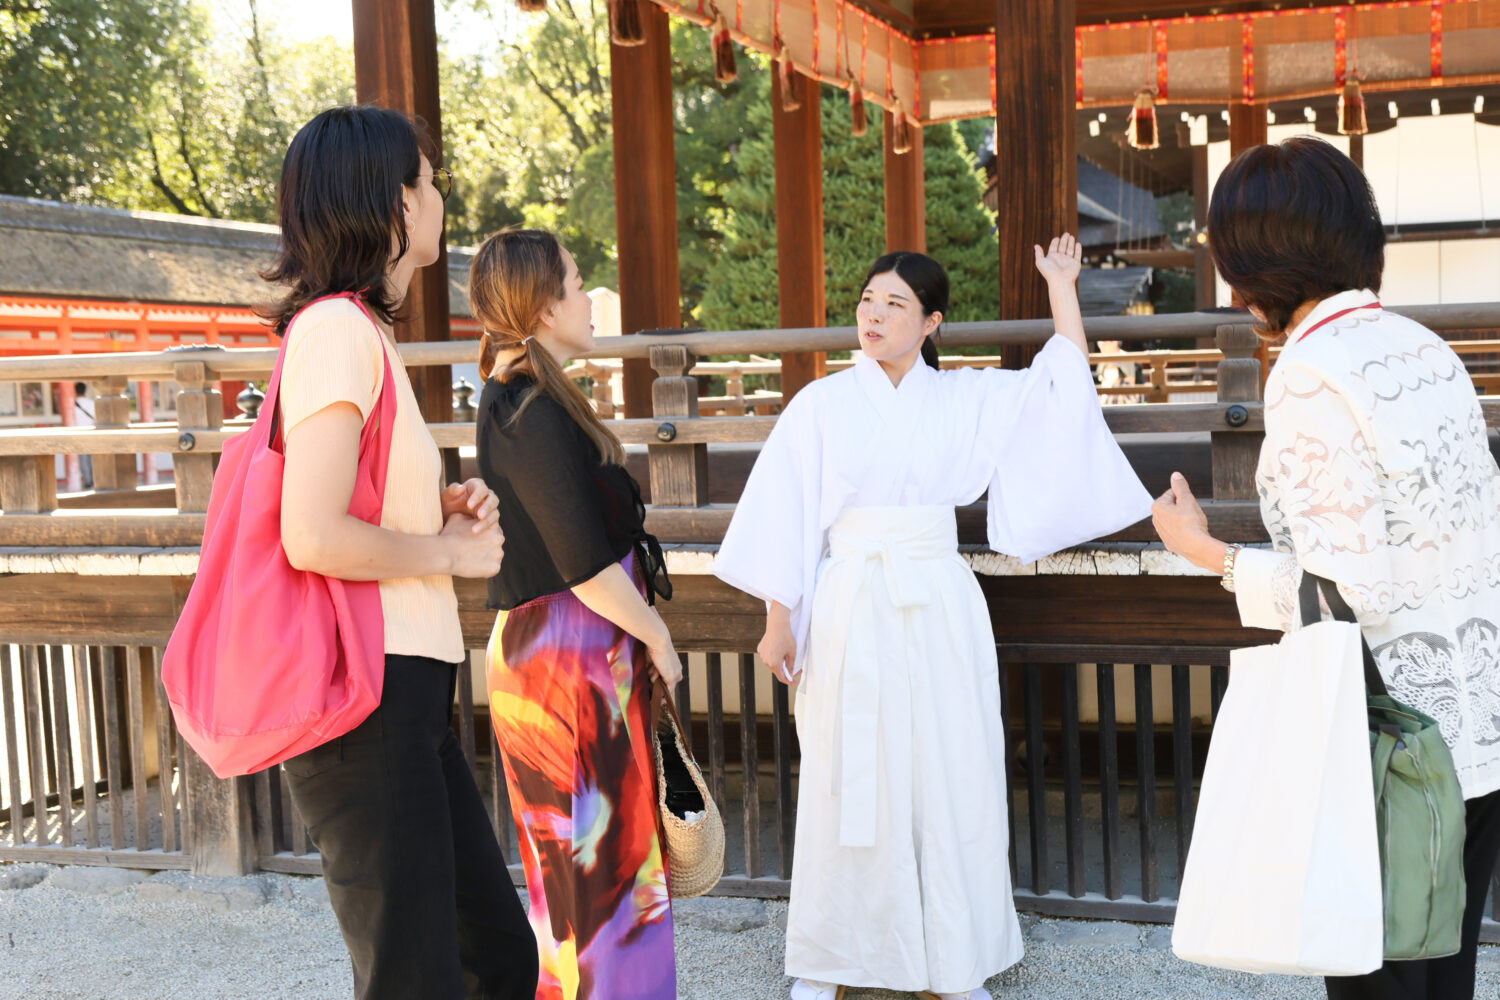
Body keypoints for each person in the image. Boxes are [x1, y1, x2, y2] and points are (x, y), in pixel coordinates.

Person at [714, 238, 1153, 1000]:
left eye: (895, 305)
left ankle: (952, 960)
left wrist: (1061, 288)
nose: (873, 315)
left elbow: (1064, 390)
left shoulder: (962, 399)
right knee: (848, 775)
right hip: (852, 596)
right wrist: (776, 618)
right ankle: (830, 961)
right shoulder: (821, 403)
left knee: (951, 772)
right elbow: (787, 516)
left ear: (931, 324)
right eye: (866, 300)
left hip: (937, 598)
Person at [1153, 136, 1500, 1000]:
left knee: (1374, 980)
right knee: (1445, 974)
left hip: (1390, 744)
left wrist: (1211, 556)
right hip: (1480, 726)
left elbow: (1348, 593)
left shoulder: (1309, 376)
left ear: (1254, 266)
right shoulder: (1425, 347)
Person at [264, 106, 537, 1000]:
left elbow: (351, 508)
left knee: (491, 957)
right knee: (421, 978)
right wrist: (445, 553)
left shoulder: (359, 333)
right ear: (391, 204)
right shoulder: (338, 330)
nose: (439, 193)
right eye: (426, 177)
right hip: (365, 698)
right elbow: (311, 534)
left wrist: (435, 510)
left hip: (400, 694)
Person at [472, 227, 682, 1000]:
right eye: (574, 278)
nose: (589, 290)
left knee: (590, 873)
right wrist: (656, 635)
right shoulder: (529, 411)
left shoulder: (528, 399)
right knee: (600, 875)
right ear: (541, 303)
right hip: (569, 652)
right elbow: (583, 563)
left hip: (572, 649)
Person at [72, 382, 94, 488]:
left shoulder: (72, 405)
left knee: (83, 459)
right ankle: (95, 479)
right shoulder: (91, 403)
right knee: (92, 458)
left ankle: (88, 480)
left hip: (78, 434)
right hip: (91, 432)